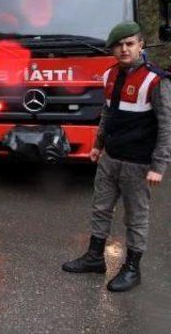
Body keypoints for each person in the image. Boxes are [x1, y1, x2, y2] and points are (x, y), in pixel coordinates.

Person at [62, 21, 171, 292]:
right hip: (110, 158)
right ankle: (94, 257)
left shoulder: (156, 79)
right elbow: (107, 114)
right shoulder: (110, 75)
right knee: (100, 208)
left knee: (135, 216)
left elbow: (166, 124)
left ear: (141, 44)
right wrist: (98, 145)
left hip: (138, 162)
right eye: (119, 45)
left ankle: (132, 268)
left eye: (129, 44)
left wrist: (159, 165)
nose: (124, 49)